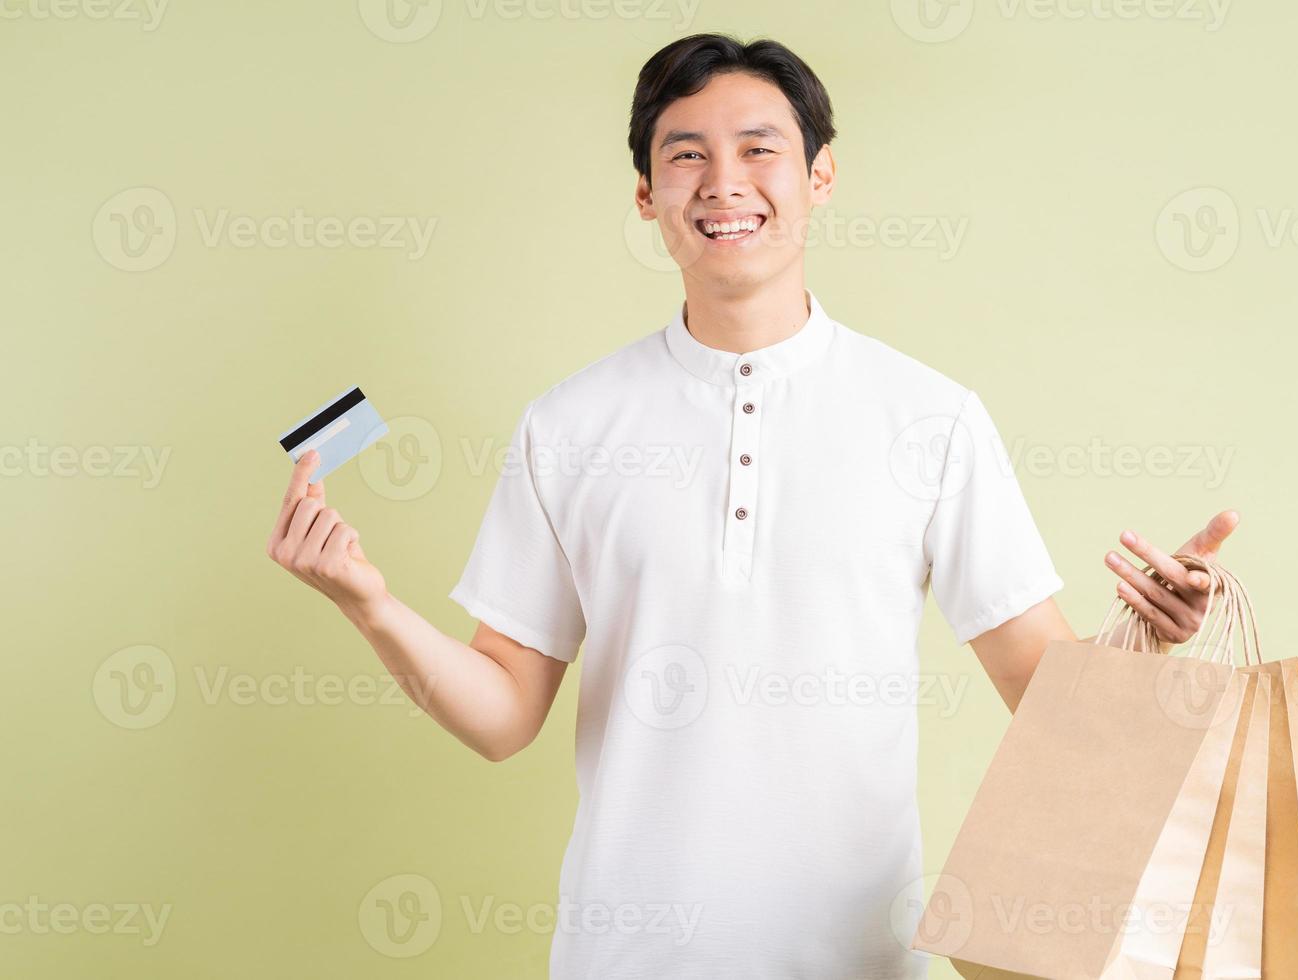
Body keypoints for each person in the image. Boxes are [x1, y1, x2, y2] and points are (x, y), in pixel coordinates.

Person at [265, 32, 1239, 980]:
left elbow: (1046, 698)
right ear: (647, 195)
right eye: (685, 156)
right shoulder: (568, 424)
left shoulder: (931, 418)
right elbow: (503, 714)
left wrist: (1147, 637)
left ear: (820, 176)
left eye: (759, 149)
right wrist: (369, 603)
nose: (722, 182)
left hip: (858, 959)